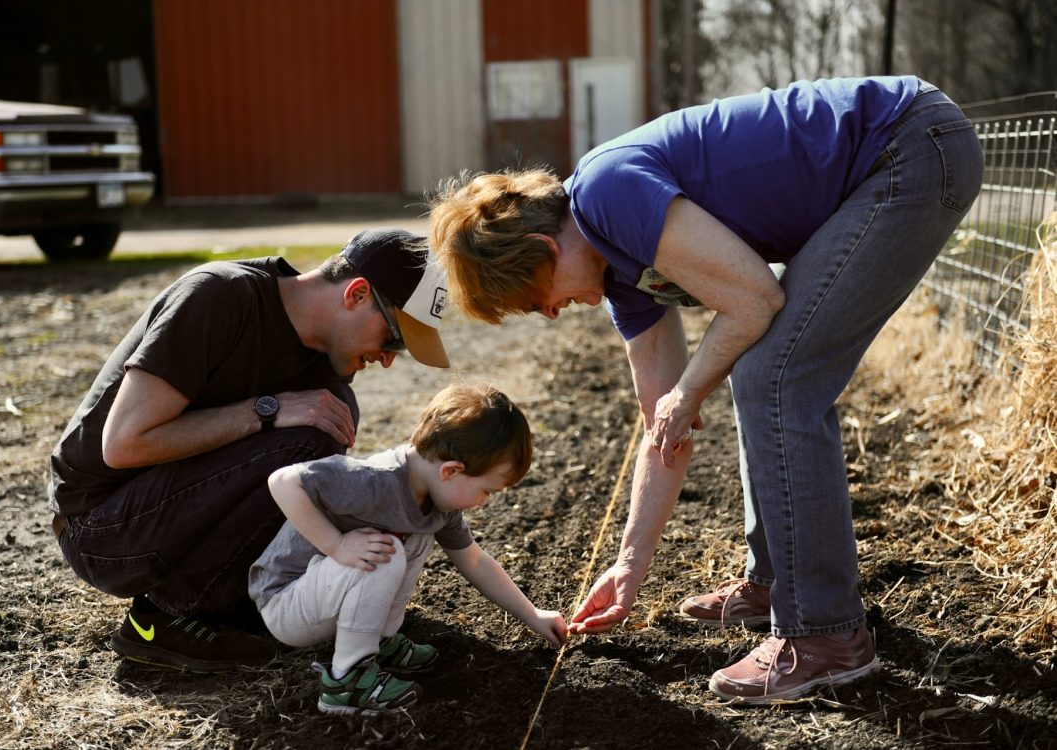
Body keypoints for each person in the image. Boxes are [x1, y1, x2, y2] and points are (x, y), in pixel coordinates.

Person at [428, 76, 984, 703]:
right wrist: (630, 565)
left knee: (775, 376)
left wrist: (688, 390)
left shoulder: (607, 194)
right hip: (898, 149)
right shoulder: (622, 276)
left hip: (907, 146)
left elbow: (754, 298)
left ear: (541, 247)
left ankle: (826, 635)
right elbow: (662, 428)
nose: (552, 314)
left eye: (536, 299)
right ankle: (776, 582)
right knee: (763, 372)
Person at [48, 227, 451, 673]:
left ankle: (239, 602)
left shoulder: (324, 372)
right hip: (102, 528)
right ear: (356, 294)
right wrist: (267, 409)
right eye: (393, 338)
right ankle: (164, 616)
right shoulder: (218, 297)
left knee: (328, 423)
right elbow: (122, 444)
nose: (388, 358)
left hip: (163, 514)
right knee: (308, 437)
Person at [248, 382, 567, 715]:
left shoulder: (438, 503)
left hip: (325, 595)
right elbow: (283, 482)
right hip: (286, 603)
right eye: (487, 491)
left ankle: (379, 641)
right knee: (386, 551)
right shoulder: (373, 480)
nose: (484, 502)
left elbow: (474, 560)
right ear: (451, 471)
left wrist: (532, 615)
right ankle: (346, 682)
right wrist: (338, 544)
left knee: (416, 535)